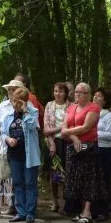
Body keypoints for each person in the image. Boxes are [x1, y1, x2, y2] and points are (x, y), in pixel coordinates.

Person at [61, 83, 110, 223]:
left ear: (88, 94)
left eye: (81, 92)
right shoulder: (70, 108)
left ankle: (88, 211)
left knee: (89, 179)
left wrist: (68, 133)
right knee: (76, 180)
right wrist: (74, 137)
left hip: (89, 148)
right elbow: (65, 126)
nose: (78, 95)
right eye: (76, 92)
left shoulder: (93, 107)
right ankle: (80, 210)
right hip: (73, 147)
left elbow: (86, 127)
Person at [2, 86, 41, 223]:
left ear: (24, 102)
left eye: (17, 102)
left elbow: (32, 126)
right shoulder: (8, 116)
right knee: (18, 182)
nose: (14, 104)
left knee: (30, 182)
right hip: (14, 155)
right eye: (13, 101)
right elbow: (3, 133)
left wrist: (25, 112)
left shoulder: (33, 113)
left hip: (29, 155)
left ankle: (30, 212)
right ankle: (21, 212)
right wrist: (7, 139)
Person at [0, 80, 22, 215]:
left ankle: (20, 204)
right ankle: (9, 206)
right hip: (4, 145)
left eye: (13, 89)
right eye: (9, 90)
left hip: (21, 146)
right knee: (5, 176)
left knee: (19, 176)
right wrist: (6, 132)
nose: (10, 92)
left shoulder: (27, 106)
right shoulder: (3, 106)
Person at [43, 82, 71, 212]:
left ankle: (66, 201)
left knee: (66, 173)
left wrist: (54, 129)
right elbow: (46, 126)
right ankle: (55, 201)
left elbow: (69, 125)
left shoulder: (71, 106)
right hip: (53, 141)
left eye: (60, 91)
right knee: (54, 174)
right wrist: (52, 143)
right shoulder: (49, 105)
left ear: (65, 93)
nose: (57, 94)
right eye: (55, 91)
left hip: (67, 140)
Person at [94, 88, 111, 219]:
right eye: (95, 95)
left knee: (104, 179)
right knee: (94, 179)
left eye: (99, 96)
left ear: (105, 100)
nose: (96, 98)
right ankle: (94, 207)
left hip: (105, 150)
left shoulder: (110, 116)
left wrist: (94, 134)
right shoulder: (90, 112)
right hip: (92, 149)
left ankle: (107, 207)